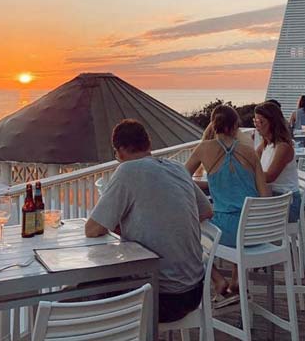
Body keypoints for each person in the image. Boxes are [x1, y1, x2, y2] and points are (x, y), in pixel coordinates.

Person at [85, 119, 213, 323]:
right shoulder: (178, 168)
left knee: (77, 294)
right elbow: (206, 211)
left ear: (120, 150)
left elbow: (92, 229)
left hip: (160, 298)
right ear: (148, 144)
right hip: (194, 291)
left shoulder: (128, 170)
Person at [185, 105, 269, 307]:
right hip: (255, 228)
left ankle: (217, 280)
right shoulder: (250, 152)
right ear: (235, 127)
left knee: (188, 232)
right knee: (236, 215)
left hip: (226, 230)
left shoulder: (204, 148)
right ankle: (237, 281)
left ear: (214, 125)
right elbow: (264, 195)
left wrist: (208, 185)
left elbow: (181, 178)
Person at [254, 102, 301, 224]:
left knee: (242, 212)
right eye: (256, 121)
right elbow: (250, 162)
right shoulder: (265, 145)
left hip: (285, 203)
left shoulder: (283, 147)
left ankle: (248, 240)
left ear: (272, 123)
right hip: (273, 197)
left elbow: (269, 177)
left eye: (261, 122)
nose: (257, 126)